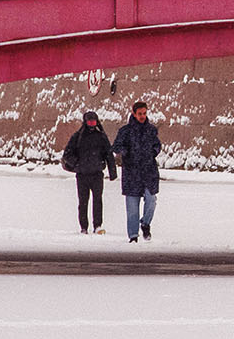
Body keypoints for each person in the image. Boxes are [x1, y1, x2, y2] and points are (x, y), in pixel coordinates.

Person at [112, 101, 162, 242]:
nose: (142, 116)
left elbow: (157, 145)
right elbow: (116, 146)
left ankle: (145, 223)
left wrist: (153, 152)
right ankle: (133, 236)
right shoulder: (125, 131)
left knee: (151, 200)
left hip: (149, 171)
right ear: (134, 113)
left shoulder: (151, 130)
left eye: (144, 113)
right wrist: (125, 152)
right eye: (140, 113)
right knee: (132, 207)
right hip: (131, 173)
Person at [61, 110, 118, 234]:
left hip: (97, 174)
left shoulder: (101, 137)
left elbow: (109, 154)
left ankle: (97, 225)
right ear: (86, 122)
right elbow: (67, 154)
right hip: (82, 175)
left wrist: (112, 172)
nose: (92, 124)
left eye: (93, 122)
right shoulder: (78, 137)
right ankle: (84, 227)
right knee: (83, 202)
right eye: (90, 122)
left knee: (97, 200)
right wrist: (77, 164)